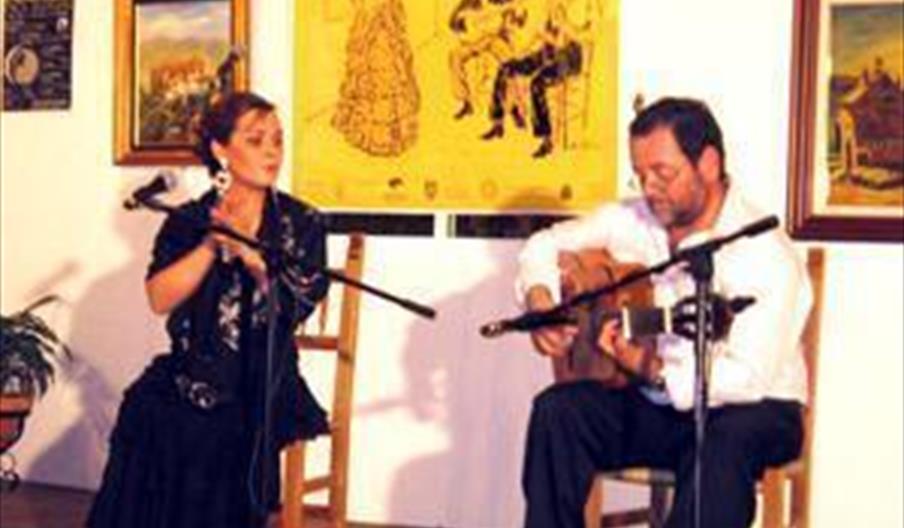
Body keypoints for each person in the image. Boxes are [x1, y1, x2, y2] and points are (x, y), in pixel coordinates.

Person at [516, 97, 812, 527]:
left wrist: (652, 367)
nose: (649, 188)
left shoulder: (764, 252)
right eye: (640, 175)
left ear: (708, 163)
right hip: (659, 406)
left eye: (663, 173)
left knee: (719, 442)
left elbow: (747, 377)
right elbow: (543, 245)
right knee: (559, 412)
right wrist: (540, 301)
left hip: (756, 410)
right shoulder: (639, 219)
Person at [87, 92, 331, 528]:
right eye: (257, 140)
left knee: (212, 435)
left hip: (264, 378)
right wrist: (210, 244)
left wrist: (252, 257)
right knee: (147, 411)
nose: (273, 151)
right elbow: (159, 298)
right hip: (192, 373)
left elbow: (298, 303)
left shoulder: (302, 222)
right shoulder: (189, 219)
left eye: (278, 139)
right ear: (221, 150)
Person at [481, 1, 584, 158]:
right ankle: (497, 122)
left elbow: (569, 40)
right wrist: (522, 54)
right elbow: (539, 38)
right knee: (506, 68)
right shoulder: (548, 9)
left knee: (537, 83)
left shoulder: (575, 8)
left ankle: (546, 140)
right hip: (547, 53)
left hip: (566, 60)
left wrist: (557, 27)